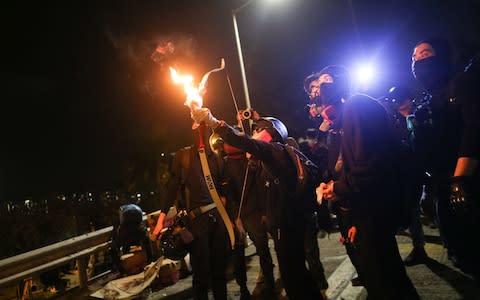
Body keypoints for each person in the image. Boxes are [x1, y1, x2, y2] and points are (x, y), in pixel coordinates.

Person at [191, 110, 324, 300]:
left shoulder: (274, 151)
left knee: (293, 278)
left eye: (256, 131)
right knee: (298, 274)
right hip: (288, 223)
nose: (252, 135)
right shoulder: (275, 156)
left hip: (286, 225)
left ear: (269, 134)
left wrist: (214, 122)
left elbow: (247, 143)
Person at [314, 65, 419, 299]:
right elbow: (341, 165)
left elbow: (369, 167)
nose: (320, 90)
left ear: (342, 82)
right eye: (317, 86)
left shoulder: (357, 107)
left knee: (384, 279)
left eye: (326, 82)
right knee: (388, 276)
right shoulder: (342, 119)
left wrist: (338, 189)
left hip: (373, 209)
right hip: (363, 209)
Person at [410, 37, 480, 280]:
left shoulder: (461, 82)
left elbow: (474, 130)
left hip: (467, 181)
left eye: (425, 54)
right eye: (414, 57)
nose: (418, 60)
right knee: (458, 250)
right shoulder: (428, 100)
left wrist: (459, 181)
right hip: (443, 183)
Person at [303, 67, 364, 287]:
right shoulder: (324, 124)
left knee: (367, 244)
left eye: (323, 84)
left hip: (356, 191)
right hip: (338, 191)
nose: (317, 91)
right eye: (313, 88)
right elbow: (319, 155)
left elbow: (359, 162)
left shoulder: (353, 111)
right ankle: (364, 272)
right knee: (350, 240)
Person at [152, 128, 229, 300]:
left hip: (217, 220)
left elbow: (223, 193)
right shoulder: (183, 156)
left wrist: (231, 222)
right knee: (201, 275)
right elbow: (172, 188)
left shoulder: (216, 156)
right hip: (196, 224)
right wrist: (161, 219)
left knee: (219, 272)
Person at [382, 85, 429, 266]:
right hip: (407, 172)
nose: (398, 103)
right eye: (395, 100)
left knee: (430, 206)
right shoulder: (394, 121)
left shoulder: (422, 114)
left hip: (427, 167)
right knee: (412, 209)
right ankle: (419, 247)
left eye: (401, 99)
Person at [111, 203, 153, 276]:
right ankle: (149, 263)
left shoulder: (121, 220)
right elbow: (147, 244)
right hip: (137, 235)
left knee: (114, 248)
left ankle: (123, 271)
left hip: (126, 236)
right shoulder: (140, 226)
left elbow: (115, 240)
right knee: (146, 242)